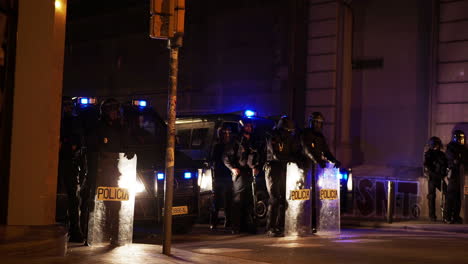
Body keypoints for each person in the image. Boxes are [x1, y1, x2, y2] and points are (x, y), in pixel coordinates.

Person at [83, 98, 134, 245]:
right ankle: (91, 233)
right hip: (99, 172)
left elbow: (127, 144)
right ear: (106, 112)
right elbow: (91, 145)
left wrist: (129, 150)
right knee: (93, 201)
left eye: (117, 111)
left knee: (116, 203)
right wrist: (100, 151)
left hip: (115, 173)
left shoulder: (121, 128)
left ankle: (115, 234)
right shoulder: (98, 127)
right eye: (112, 111)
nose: (115, 114)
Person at [264, 116, 301, 237]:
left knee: (284, 200)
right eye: (287, 131)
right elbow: (276, 155)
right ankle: (270, 227)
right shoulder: (273, 136)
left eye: (290, 132)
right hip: (273, 168)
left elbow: (293, 152)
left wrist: (300, 160)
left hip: (284, 169)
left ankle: (280, 226)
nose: (289, 134)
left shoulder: (289, 138)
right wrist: (292, 159)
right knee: (274, 198)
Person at [223, 118, 259, 234]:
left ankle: (247, 226)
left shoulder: (253, 140)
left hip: (249, 173)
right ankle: (236, 226)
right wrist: (233, 169)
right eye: (246, 126)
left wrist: (256, 167)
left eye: (250, 126)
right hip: (240, 174)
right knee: (238, 200)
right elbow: (225, 157)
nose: (249, 128)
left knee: (249, 200)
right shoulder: (236, 141)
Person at [57, 96, 85, 242]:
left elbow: (76, 144)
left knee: (72, 198)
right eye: (65, 105)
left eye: (69, 105)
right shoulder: (57, 120)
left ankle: (75, 230)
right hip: (59, 162)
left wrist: (66, 145)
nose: (68, 108)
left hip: (68, 162)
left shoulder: (74, 122)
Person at [209, 125, 233, 230]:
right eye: (225, 133)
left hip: (228, 176)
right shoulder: (217, 146)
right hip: (219, 177)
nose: (227, 135)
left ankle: (227, 222)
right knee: (217, 201)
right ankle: (214, 222)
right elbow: (213, 161)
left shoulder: (231, 146)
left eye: (228, 133)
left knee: (228, 201)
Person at [444, 130, 467, 224]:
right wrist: (458, 160)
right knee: (450, 196)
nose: (461, 140)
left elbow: (465, 159)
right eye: (459, 138)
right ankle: (447, 217)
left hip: (461, 174)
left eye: (462, 138)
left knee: (458, 197)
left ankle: (456, 216)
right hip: (453, 173)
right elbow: (453, 159)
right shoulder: (451, 147)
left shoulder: (463, 148)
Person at [423, 136, 448, 222]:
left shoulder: (441, 154)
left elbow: (446, 164)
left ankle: (447, 215)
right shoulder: (429, 154)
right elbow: (427, 165)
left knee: (448, 193)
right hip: (433, 177)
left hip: (440, 177)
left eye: (438, 144)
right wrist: (432, 172)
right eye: (435, 144)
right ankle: (432, 216)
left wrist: (444, 172)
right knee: (431, 196)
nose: (437, 146)